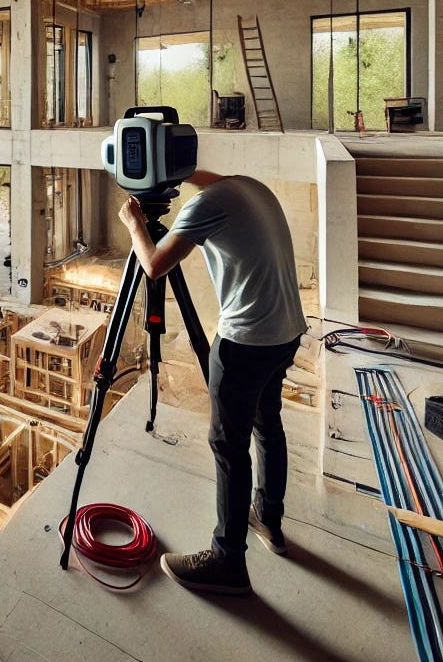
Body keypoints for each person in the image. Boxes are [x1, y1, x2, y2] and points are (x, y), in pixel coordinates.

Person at [119, 170, 306, 596]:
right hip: (287, 331)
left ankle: (227, 561)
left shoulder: (203, 206)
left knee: (228, 446)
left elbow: (153, 265)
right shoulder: (249, 185)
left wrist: (135, 225)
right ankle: (268, 518)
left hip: (246, 343)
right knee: (266, 423)